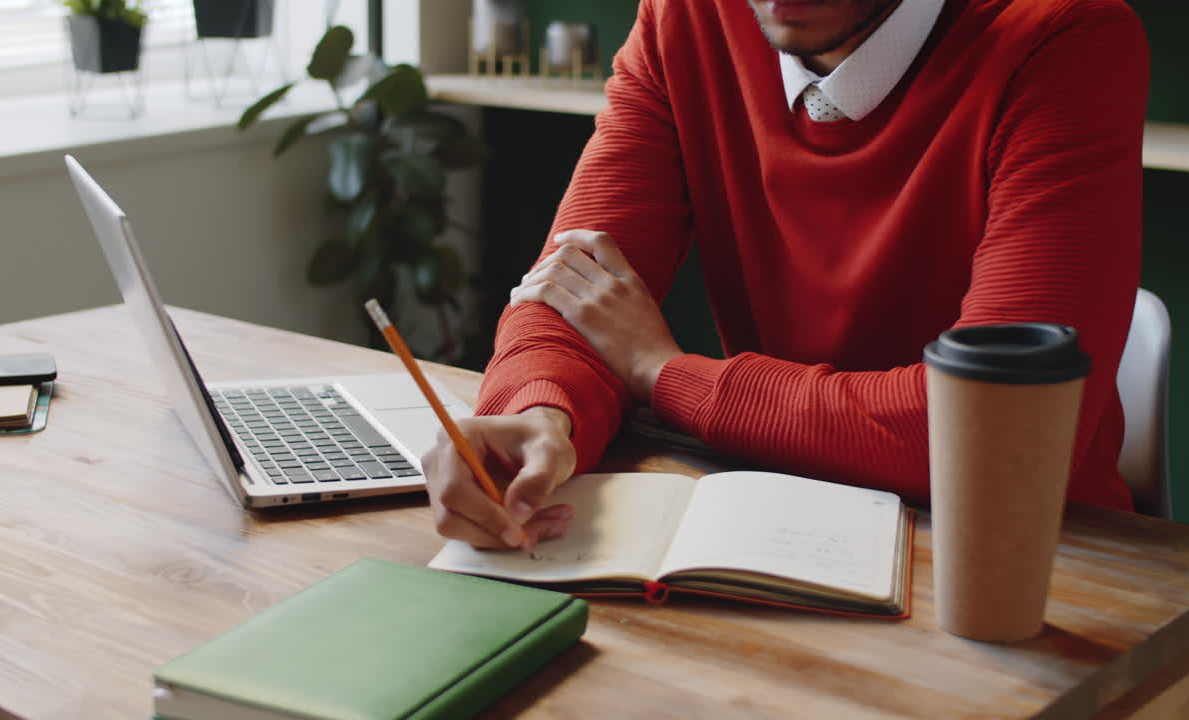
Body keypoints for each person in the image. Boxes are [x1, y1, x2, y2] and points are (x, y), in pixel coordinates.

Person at [421, 0, 1149, 552]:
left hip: (1025, 556)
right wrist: (538, 414)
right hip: (777, 524)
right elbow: (570, 289)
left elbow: (999, 433)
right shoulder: (687, 20)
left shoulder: (1066, 39)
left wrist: (663, 371)